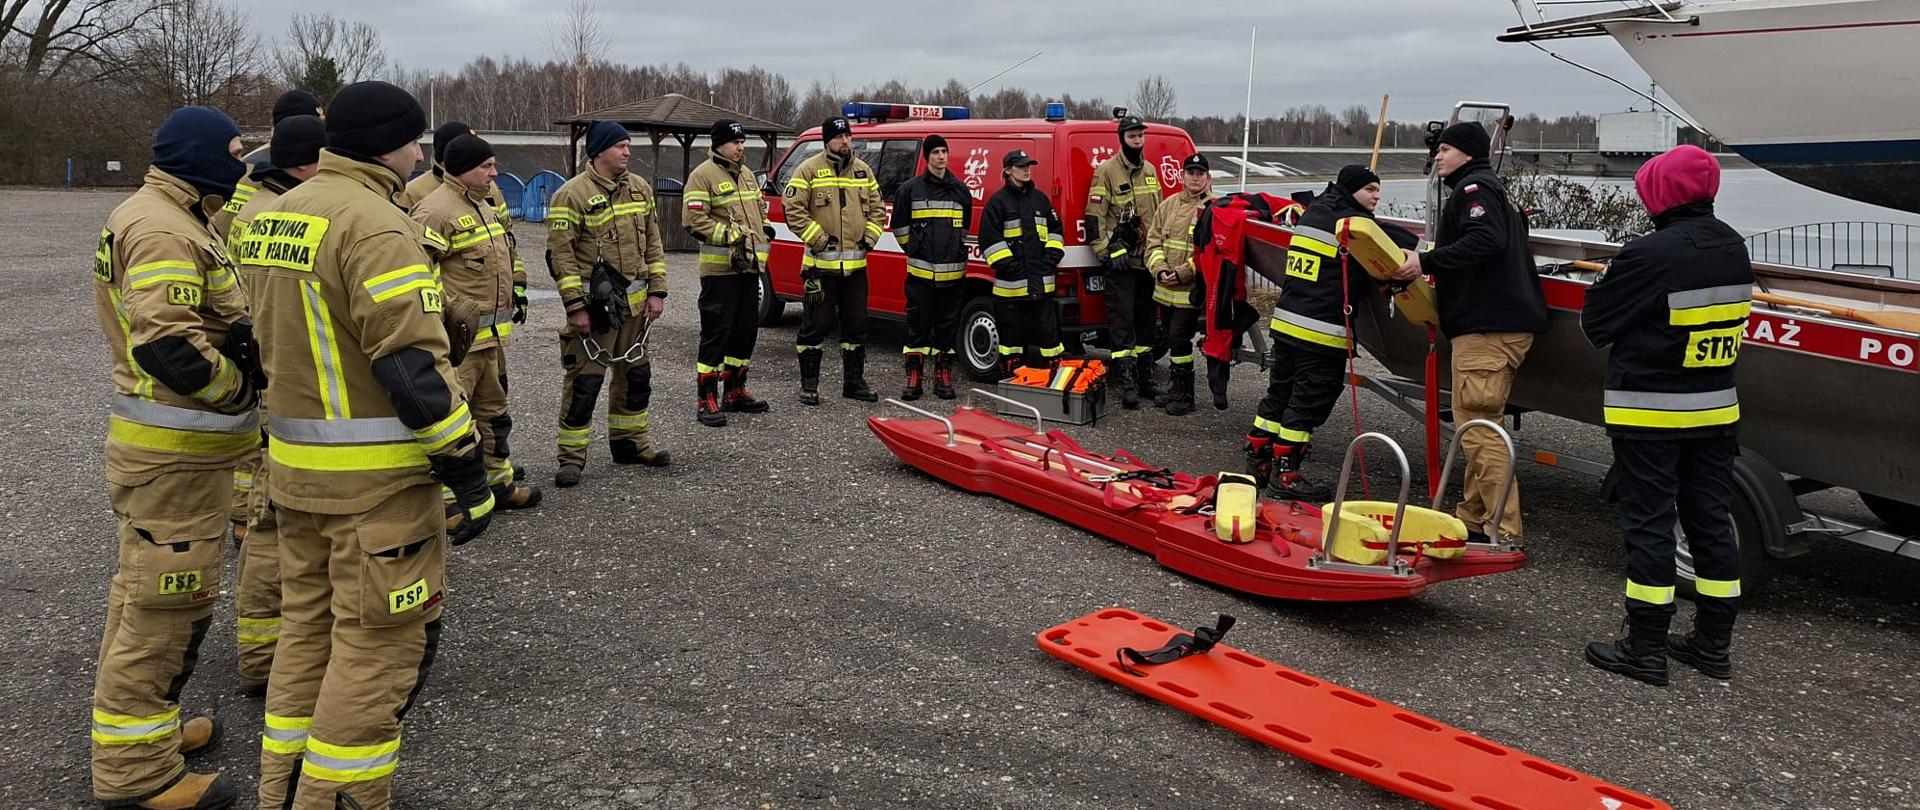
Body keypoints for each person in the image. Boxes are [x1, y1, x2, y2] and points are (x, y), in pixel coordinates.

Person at [242, 80, 494, 809]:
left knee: (307, 635)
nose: (422, 153)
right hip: (375, 491)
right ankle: (341, 798)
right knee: (376, 647)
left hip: (296, 474)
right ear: (391, 142)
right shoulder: (379, 227)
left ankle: (283, 790)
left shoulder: (278, 214)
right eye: (416, 140)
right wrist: (467, 467)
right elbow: (409, 368)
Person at [88, 105, 256, 810]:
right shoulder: (161, 226)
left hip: (174, 453)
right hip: (175, 453)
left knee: (143, 598)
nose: (243, 164)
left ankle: (143, 735)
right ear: (199, 156)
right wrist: (242, 387)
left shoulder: (176, 214)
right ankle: (136, 779)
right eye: (234, 151)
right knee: (164, 607)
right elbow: (167, 346)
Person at [1579, 145, 1752, 686]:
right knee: (1709, 524)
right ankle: (1711, 644)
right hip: (1716, 411)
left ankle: (1645, 647)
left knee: (1649, 526)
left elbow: (1596, 325)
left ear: (1660, 193)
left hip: (1652, 413)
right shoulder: (1733, 246)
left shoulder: (1649, 254)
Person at [1394, 121, 1548, 543]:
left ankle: (1503, 529)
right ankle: (1472, 518)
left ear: (1468, 152)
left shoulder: (1472, 191)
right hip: (1500, 325)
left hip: (1488, 328)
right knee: (1474, 422)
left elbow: (1486, 241)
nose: (1437, 157)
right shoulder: (1490, 188)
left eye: (1445, 149)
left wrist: (1424, 262)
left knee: (1479, 426)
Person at [224, 112, 326, 697]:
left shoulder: (257, 211)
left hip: (271, 374)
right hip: (285, 382)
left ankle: (266, 650)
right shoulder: (280, 214)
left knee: (271, 518)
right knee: (272, 519)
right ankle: (266, 657)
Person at [1248, 165, 1415, 500]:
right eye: (1370, 189)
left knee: (1280, 394)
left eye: (1378, 190)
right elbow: (1391, 244)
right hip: (1320, 332)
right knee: (1309, 401)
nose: (1377, 196)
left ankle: (1258, 457)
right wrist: (1417, 249)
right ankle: (1287, 474)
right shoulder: (1354, 225)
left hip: (1286, 325)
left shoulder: (1315, 212)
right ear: (1351, 189)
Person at [410, 133, 543, 512]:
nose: (494, 173)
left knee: (494, 414)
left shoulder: (483, 206)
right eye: (486, 166)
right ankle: (451, 503)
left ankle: (498, 484)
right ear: (465, 168)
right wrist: (442, 324)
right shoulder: (434, 211)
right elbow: (421, 274)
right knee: (456, 421)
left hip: (490, 340)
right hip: (458, 344)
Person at [546, 120, 672, 486]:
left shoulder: (640, 189)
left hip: (634, 311)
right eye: (619, 146)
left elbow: (653, 242)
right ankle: (571, 459)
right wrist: (575, 307)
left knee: (635, 379)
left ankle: (631, 443)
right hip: (595, 311)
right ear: (599, 151)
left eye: (628, 145)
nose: (627, 152)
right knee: (584, 384)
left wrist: (657, 291)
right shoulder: (571, 195)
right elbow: (561, 256)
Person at [782, 115, 887, 405]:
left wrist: (870, 238)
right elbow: (793, 211)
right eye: (839, 137)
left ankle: (853, 383)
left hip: (855, 270)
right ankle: (809, 386)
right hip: (820, 268)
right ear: (826, 140)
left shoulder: (863, 171)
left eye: (848, 136)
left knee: (856, 326)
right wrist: (817, 239)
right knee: (815, 326)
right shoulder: (808, 170)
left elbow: (878, 211)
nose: (845, 141)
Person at [682, 119, 772, 426]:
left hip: (749, 269)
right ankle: (705, 397)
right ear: (719, 144)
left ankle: (734, 390)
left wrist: (765, 228)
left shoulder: (747, 174)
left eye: (743, 142)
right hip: (720, 272)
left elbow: (759, 209)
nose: (740, 146)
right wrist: (730, 235)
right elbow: (695, 222)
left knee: (745, 330)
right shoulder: (701, 176)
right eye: (735, 142)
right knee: (716, 334)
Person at [1087, 114, 1163, 408]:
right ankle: (1127, 381)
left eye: (1140, 136)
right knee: (1122, 322)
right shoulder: (1106, 171)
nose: (1137, 140)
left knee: (1147, 323)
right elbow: (1094, 217)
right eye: (1132, 136)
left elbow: (1158, 214)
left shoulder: (1151, 170)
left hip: (1148, 261)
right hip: (1121, 264)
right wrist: (1106, 253)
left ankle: (1146, 378)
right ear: (1122, 138)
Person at [889, 133, 971, 400]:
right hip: (920, 274)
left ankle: (943, 375)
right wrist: (914, 249)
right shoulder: (910, 190)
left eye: (944, 152)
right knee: (918, 326)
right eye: (935, 152)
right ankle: (914, 377)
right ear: (927, 157)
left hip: (953, 274)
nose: (941, 157)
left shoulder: (961, 191)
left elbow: (964, 229)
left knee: (946, 328)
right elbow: (899, 227)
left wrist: (955, 250)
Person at [980, 149, 1066, 376]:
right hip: (1011, 290)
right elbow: (990, 242)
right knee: (1011, 341)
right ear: (1008, 171)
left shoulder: (1040, 199)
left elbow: (1056, 232)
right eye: (1021, 166)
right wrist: (1013, 268)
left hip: (1041, 287)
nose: (1027, 169)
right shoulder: (998, 202)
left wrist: (1049, 259)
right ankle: (1013, 380)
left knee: (1049, 338)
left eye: (1028, 165)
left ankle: (1053, 383)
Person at [1143, 153, 1215, 416]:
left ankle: (1186, 396)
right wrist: (1160, 269)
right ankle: (1175, 389)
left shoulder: (1213, 208)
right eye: (1190, 172)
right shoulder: (1168, 205)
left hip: (1189, 291)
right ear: (1182, 176)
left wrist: (1185, 273)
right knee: (1172, 339)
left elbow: (1211, 251)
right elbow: (1154, 242)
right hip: (1164, 290)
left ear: (1208, 178)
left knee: (1179, 338)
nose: (1195, 177)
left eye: (1200, 173)